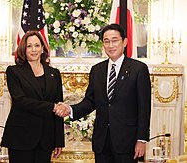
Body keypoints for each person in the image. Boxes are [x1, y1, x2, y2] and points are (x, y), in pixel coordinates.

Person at [54, 23, 151, 163]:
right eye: (106, 41)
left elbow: (144, 108)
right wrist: (69, 109)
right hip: (102, 142)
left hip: (127, 142)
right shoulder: (97, 70)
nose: (111, 45)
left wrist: (141, 140)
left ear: (125, 42)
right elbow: (90, 101)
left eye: (115, 40)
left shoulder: (138, 69)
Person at [1, 31, 65, 163]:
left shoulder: (54, 73)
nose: (34, 49)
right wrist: (52, 107)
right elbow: (20, 101)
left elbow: (59, 106)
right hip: (21, 137)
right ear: (23, 49)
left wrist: (59, 140)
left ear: (43, 48)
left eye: (37, 45)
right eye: (29, 46)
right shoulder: (14, 71)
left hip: (46, 139)